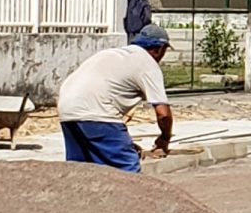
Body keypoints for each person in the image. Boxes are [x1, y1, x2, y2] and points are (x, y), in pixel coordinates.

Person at [57, 24, 174, 173]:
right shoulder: (148, 64)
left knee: (81, 171)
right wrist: (164, 138)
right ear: (159, 49)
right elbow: (163, 114)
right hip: (98, 114)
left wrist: (125, 144)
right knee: (128, 170)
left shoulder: (111, 54)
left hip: (67, 111)